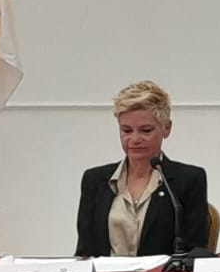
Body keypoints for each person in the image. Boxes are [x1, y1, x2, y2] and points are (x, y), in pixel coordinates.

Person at [75, 81, 210, 258]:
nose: (135, 139)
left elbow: (196, 252)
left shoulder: (189, 180)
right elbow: (85, 253)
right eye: (126, 130)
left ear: (166, 128)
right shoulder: (94, 180)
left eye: (146, 130)